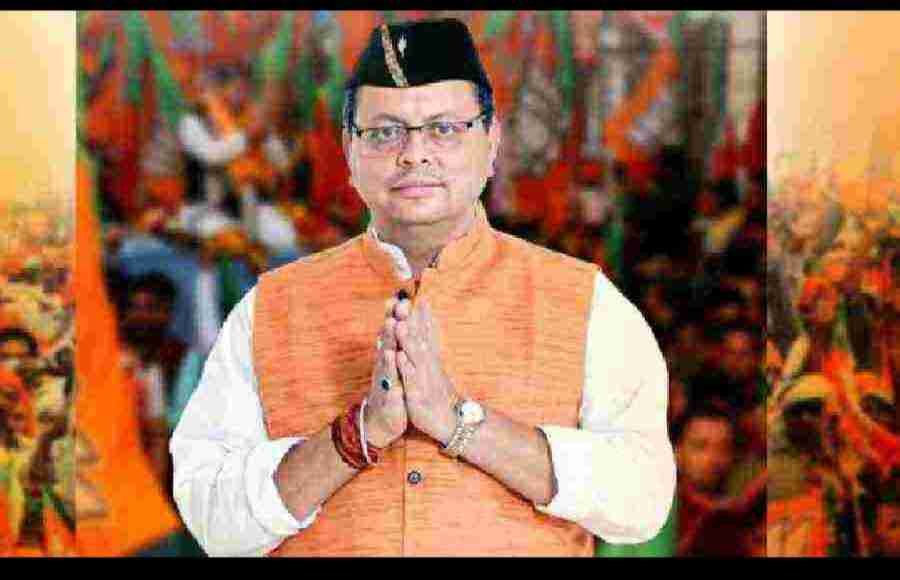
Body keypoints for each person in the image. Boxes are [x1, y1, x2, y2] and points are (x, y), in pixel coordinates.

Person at [171, 19, 675, 557]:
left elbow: (642, 500)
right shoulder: (270, 308)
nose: (414, 153)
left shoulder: (585, 302)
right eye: (385, 132)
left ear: (492, 141)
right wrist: (357, 434)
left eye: (444, 128)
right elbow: (211, 516)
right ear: (349, 149)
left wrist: (459, 422)